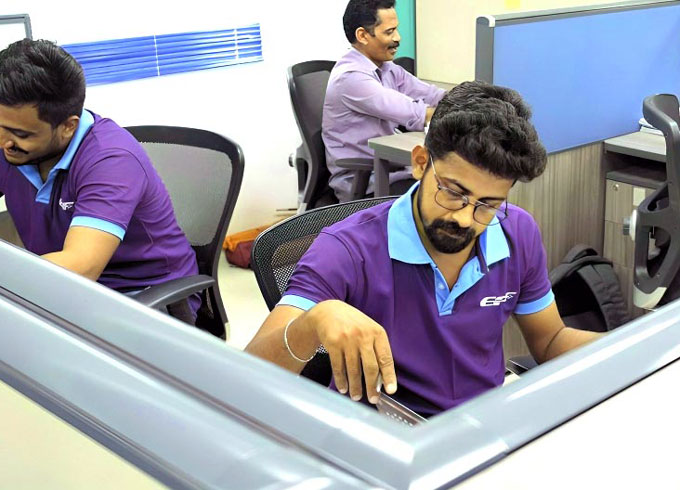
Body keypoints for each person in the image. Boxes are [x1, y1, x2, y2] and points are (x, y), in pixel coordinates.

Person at [247, 81, 603, 417]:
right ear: (420, 163)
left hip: (480, 426)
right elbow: (249, 380)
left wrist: (627, 348)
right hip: (381, 433)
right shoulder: (346, 249)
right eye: (453, 192)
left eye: (488, 205)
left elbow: (551, 340)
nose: (464, 218)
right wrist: (312, 323)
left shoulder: (517, 232)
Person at [0, 39, 199, 323]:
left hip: (141, 298)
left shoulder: (111, 160)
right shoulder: (11, 145)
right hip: (63, 289)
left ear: (68, 126)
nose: (4, 142)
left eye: (21, 134)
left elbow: (80, 267)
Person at [322, 0, 446, 202]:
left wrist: (472, 98)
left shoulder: (387, 68)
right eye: (389, 32)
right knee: (447, 197)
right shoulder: (351, 78)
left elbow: (431, 95)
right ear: (363, 36)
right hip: (367, 182)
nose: (398, 38)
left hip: (394, 169)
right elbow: (415, 113)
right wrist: (466, 114)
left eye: (396, 29)